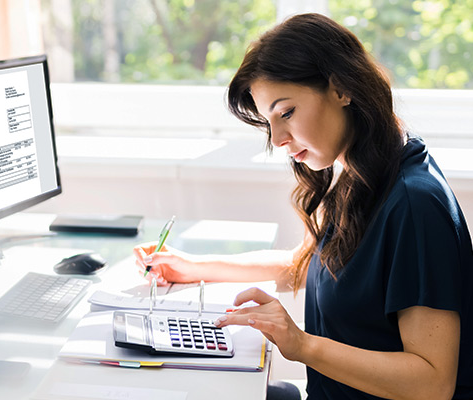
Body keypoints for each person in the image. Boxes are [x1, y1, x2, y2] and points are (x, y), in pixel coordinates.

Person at [134, 13, 473, 400]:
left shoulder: (414, 206)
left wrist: (302, 344)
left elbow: (432, 383)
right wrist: (194, 267)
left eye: (287, 113)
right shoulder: (363, 170)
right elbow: (309, 267)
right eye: (268, 122)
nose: (277, 139)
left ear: (343, 89)